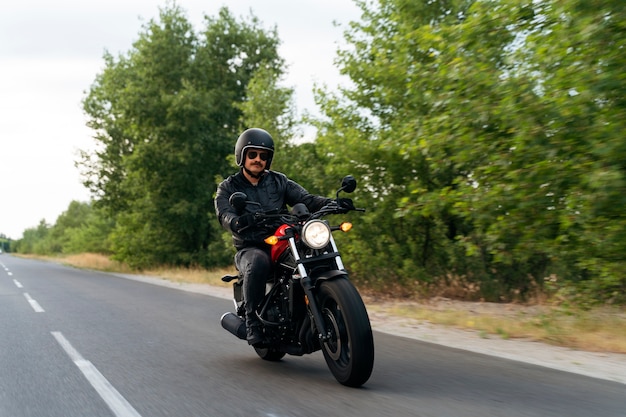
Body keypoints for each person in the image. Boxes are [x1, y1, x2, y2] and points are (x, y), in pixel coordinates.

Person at [214, 128, 352, 346]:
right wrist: (237, 221)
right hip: (252, 247)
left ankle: (330, 307)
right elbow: (224, 214)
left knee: (317, 250)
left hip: (285, 240)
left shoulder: (279, 181)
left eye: (263, 155)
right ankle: (253, 323)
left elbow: (306, 199)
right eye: (253, 154)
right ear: (242, 155)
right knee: (258, 261)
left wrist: (333, 203)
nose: (258, 159)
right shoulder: (229, 187)